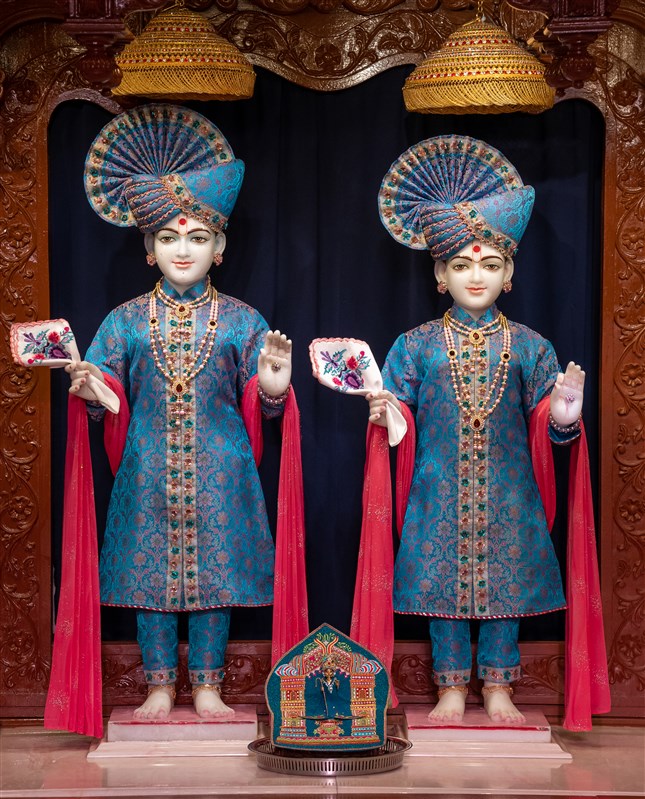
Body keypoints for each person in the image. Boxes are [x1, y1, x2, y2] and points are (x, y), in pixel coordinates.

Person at [59, 104, 297, 723]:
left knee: (217, 576)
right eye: (168, 238)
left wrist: (274, 390)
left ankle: (210, 685)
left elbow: (263, 404)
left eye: (197, 238)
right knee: (150, 580)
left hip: (223, 469)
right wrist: (92, 392)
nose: (183, 250)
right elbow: (106, 391)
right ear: (149, 249)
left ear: (219, 247)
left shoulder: (243, 320)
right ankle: (160, 685)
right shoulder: (123, 321)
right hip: (146, 469)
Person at [363, 135, 608, 726]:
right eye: (462, 265)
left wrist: (564, 420)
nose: (477, 276)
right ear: (440, 274)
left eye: (490, 265)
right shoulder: (415, 345)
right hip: (436, 489)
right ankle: (450, 686)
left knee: (507, 586)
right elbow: (395, 415)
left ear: (510, 272)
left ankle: (499, 685)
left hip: (510, 491)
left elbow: (548, 426)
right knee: (441, 587)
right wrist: (385, 413)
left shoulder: (531, 346)